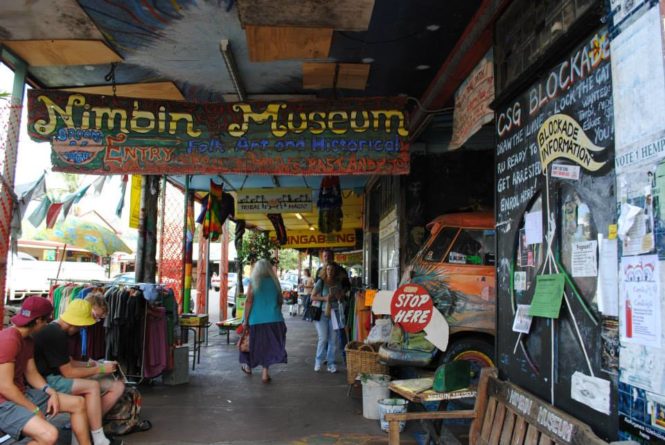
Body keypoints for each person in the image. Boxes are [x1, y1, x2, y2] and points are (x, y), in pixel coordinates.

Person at [0, 296, 91, 445]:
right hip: (4, 403)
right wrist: (34, 409)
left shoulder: (28, 340)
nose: (48, 324)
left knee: (78, 403)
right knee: (49, 435)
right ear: (38, 321)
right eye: (46, 320)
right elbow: (5, 386)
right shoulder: (10, 339)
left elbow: (32, 373)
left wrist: (51, 391)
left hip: (20, 394)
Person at [33, 297, 125, 445]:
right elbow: (69, 372)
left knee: (91, 390)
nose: (84, 328)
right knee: (92, 387)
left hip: (49, 378)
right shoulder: (57, 334)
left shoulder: (56, 331)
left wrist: (94, 365)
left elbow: (69, 363)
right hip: (49, 380)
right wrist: (100, 368)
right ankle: (97, 437)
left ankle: (91, 436)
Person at [239, 259, 288, 383]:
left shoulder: (253, 281)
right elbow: (280, 301)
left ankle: (249, 367)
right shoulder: (275, 282)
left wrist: (245, 319)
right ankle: (265, 374)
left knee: (252, 344)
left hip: (256, 320)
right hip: (275, 320)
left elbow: (249, 301)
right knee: (268, 347)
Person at [310, 263, 345, 373]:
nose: (330, 271)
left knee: (333, 340)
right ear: (325, 270)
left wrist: (339, 297)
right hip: (322, 313)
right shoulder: (321, 282)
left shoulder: (337, 283)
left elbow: (342, 297)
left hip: (335, 313)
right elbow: (312, 296)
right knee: (323, 338)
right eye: (328, 269)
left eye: (332, 269)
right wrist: (325, 298)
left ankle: (331, 363)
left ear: (334, 271)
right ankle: (318, 361)